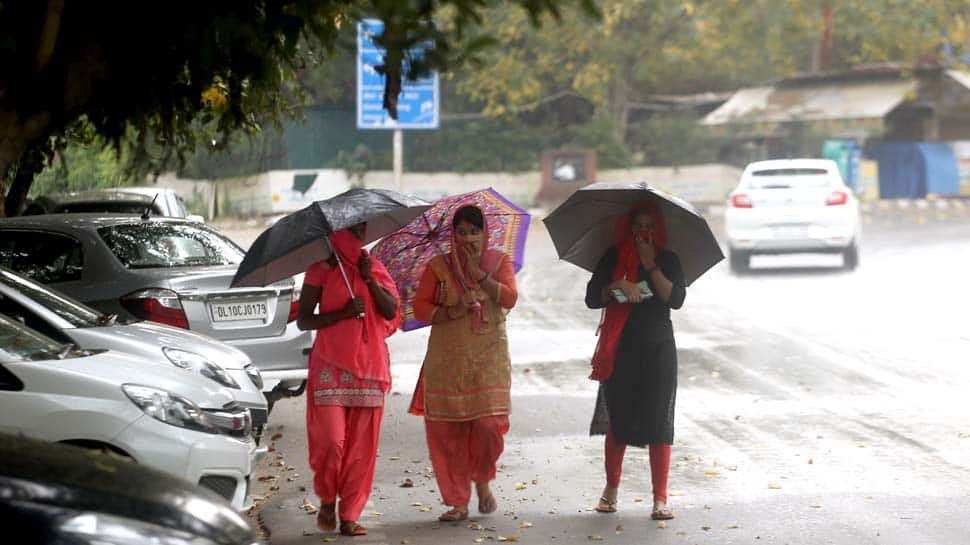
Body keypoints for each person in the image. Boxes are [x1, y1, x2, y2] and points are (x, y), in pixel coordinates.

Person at [408, 204, 519, 522]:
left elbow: (510, 298)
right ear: (453, 235)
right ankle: (457, 501)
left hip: (489, 358)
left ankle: (483, 481)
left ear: (485, 233)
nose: (468, 238)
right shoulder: (438, 267)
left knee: (487, 426)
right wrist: (453, 309)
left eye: (475, 231)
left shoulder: (499, 262)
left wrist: (480, 275)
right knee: (448, 431)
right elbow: (420, 308)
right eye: (462, 232)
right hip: (447, 361)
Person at [296, 223, 400, 537]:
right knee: (331, 441)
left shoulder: (374, 266)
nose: (356, 237)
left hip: (369, 367)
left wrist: (368, 279)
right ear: (336, 234)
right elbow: (303, 319)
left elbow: (391, 310)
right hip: (330, 364)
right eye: (351, 231)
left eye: (361, 231)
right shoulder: (320, 271)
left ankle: (350, 514)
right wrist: (341, 314)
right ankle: (328, 497)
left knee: (361, 450)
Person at [585, 202, 686, 521]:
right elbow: (592, 298)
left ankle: (660, 498)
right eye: (636, 227)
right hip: (621, 347)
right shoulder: (612, 257)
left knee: (660, 420)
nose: (642, 233)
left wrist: (649, 265)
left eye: (648, 227)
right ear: (626, 229)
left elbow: (675, 299)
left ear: (658, 229)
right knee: (619, 418)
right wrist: (617, 287)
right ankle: (611, 489)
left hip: (658, 347)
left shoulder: (668, 259)